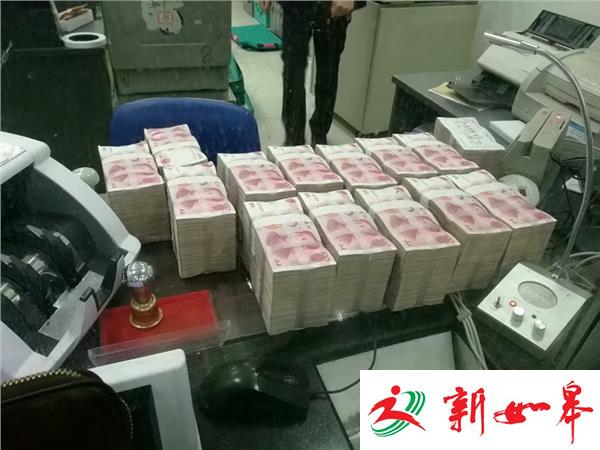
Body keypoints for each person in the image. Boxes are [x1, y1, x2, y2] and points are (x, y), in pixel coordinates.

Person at [260, 1, 364, 146]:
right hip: (296, 7)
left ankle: (320, 131)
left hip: (333, 9)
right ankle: (294, 138)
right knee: (293, 73)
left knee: (328, 73)